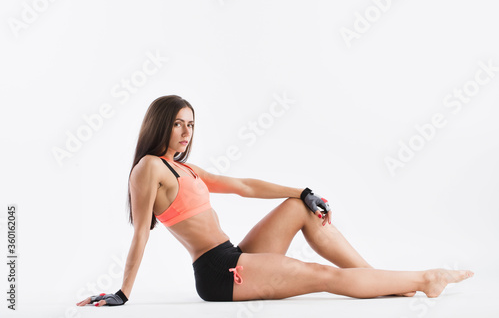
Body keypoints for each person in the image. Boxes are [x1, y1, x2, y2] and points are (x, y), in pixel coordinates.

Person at [76, 95, 473, 307]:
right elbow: (141, 235)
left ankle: (380, 282)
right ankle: (424, 280)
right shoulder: (148, 168)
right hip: (220, 274)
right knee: (321, 275)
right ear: (160, 124)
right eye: (178, 122)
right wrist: (123, 293)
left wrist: (301, 191)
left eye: (191, 123)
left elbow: (244, 185)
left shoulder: (185, 168)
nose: (186, 131)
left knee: (298, 208)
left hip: (236, 255)